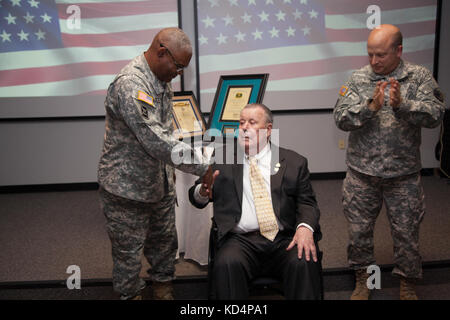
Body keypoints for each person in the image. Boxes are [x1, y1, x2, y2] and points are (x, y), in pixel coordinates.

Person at [98, 28, 213, 300]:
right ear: (162, 52)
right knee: (128, 255)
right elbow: (155, 139)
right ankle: (131, 296)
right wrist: (203, 165)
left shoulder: (162, 79)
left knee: (164, 246)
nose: (180, 72)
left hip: (159, 183)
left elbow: (166, 130)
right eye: (179, 65)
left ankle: (163, 289)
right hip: (126, 189)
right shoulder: (130, 83)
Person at [334, 24, 445, 300]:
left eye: (381, 55)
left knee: (407, 233)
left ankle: (407, 283)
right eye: (370, 54)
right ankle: (365, 280)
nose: (374, 61)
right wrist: (369, 107)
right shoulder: (358, 78)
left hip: (403, 176)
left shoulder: (418, 77)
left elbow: (435, 115)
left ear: (399, 50)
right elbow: (340, 118)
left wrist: (402, 105)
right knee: (359, 233)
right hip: (362, 175)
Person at [189, 103, 322, 299]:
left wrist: (304, 227)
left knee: (304, 259)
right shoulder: (222, 158)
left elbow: (307, 202)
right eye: (241, 122)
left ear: (268, 130)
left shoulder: (293, 161)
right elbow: (197, 197)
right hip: (240, 241)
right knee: (227, 263)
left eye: (252, 122)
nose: (244, 127)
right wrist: (202, 190)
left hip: (284, 238)